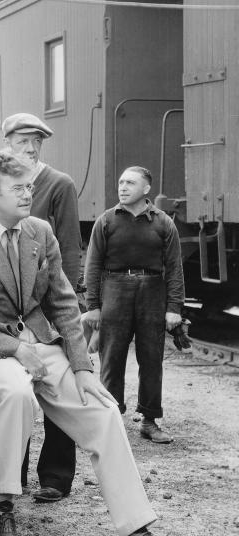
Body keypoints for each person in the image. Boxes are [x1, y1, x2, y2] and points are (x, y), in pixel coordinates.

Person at [0, 151, 185, 536]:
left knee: (104, 409)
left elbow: (64, 307)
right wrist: (16, 349)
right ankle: (3, 509)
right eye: (17, 189)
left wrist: (83, 368)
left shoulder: (40, 232)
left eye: (29, 187)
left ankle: (134, 531)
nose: (27, 194)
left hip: (42, 345)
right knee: (17, 393)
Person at [1, 112, 83, 503]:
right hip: (10, 310)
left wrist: (70, 307)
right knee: (16, 388)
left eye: (37, 142)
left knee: (56, 386)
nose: (30, 149)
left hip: (48, 303)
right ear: (7, 143)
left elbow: (69, 248)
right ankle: (8, 472)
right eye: (22, 141)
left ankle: (55, 475)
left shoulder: (59, 184)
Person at [83, 166, 186, 444]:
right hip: (115, 291)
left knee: (152, 360)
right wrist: (93, 306)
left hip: (153, 292)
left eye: (130, 183)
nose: (123, 187)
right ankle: (111, 418)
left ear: (146, 189)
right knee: (111, 359)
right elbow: (92, 266)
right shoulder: (106, 221)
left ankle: (150, 422)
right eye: (121, 182)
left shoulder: (163, 223)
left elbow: (175, 268)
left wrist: (174, 308)